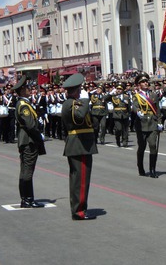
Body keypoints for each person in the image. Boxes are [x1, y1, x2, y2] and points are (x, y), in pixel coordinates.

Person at [61, 73, 98, 220]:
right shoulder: (71, 104)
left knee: (79, 179)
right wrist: (84, 100)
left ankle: (79, 208)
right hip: (79, 144)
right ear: (76, 90)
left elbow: (92, 122)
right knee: (80, 180)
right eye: (80, 89)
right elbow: (79, 117)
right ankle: (79, 211)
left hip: (80, 143)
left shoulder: (75, 104)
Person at [14, 76, 46, 208]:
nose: (29, 89)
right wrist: (39, 134)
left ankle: (26, 198)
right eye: (27, 88)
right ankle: (27, 199)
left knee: (26, 170)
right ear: (22, 91)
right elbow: (30, 125)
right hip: (29, 140)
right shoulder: (23, 105)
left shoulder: (25, 103)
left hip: (27, 140)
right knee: (27, 170)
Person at [132, 72, 162, 178]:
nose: (145, 83)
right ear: (139, 85)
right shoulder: (137, 96)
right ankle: (140, 167)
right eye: (143, 82)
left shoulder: (153, 95)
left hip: (152, 123)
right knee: (142, 147)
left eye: (146, 81)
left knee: (153, 146)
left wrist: (159, 122)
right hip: (142, 123)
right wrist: (137, 112)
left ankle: (152, 169)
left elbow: (157, 110)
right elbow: (134, 106)